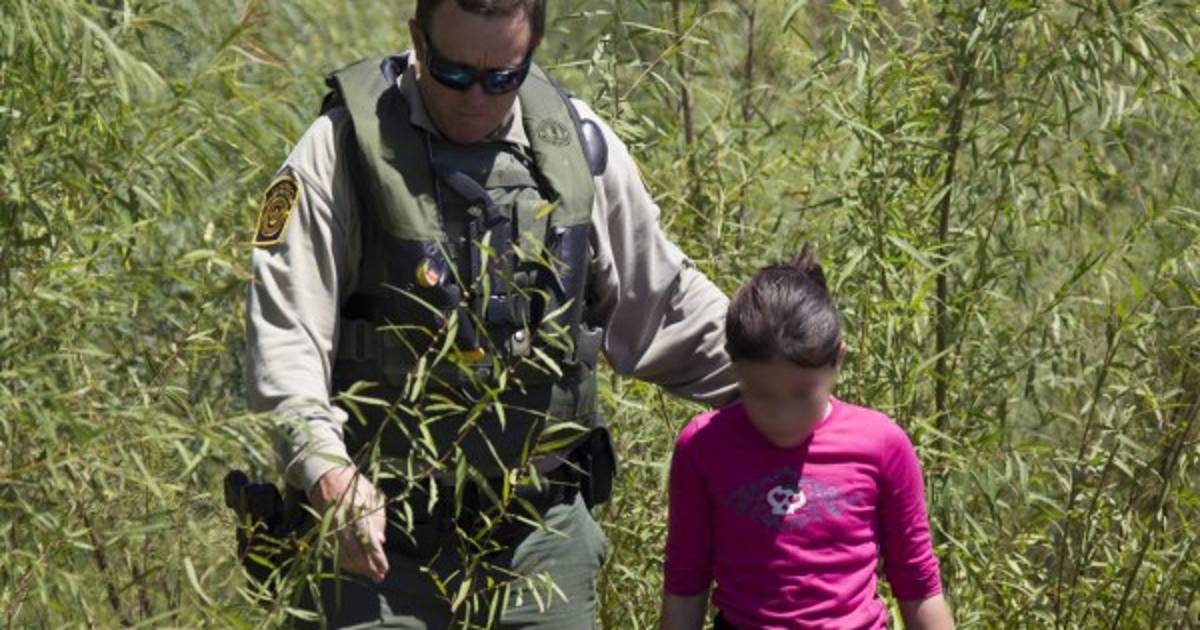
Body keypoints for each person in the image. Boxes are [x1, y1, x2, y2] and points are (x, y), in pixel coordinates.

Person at [244, 0, 736, 626]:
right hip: (379, 550)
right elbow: (284, 342)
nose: (475, 99)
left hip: (540, 541)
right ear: (418, 38)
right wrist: (325, 473)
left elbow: (666, 306)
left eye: (503, 77)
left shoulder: (575, 146)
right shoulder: (340, 151)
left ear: (532, 52)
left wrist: (800, 390)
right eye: (453, 73)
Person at [659, 247, 954, 630]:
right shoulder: (703, 446)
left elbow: (917, 581)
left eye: (802, 394)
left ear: (837, 359)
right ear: (734, 365)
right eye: (761, 394)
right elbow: (685, 583)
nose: (783, 417)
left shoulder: (882, 445)